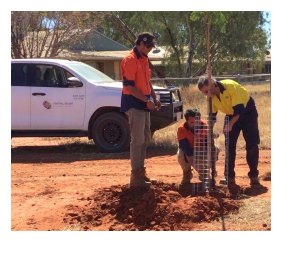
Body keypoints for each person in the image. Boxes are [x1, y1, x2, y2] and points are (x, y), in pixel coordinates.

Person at [197, 76, 260, 185]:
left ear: (212, 84)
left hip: (247, 113)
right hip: (231, 115)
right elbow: (212, 116)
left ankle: (254, 176)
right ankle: (229, 177)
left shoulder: (230, 86)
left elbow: (239, 111)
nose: (206, 95)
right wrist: (209, 131)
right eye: (203, 93)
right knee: (229, 146)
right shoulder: (210, 97)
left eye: (206, 91)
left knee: (252, 145)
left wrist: (230, 125)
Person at [120, 32, 161, 188]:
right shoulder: (130, 60)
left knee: (145, 138)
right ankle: (135, 178)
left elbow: (147, 81)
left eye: (151, 46)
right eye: (149, 46)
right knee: (137, 140)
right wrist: (147, 100)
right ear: (141, 44)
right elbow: (129, 87)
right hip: (133, 103)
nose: (150, 49)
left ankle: (140, 173)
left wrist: (154, 97)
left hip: (144, 102)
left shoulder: (144, 59)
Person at [177, 108, 219, 186]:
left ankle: (205, 173)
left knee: (215, 149)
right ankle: (187, 173)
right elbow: (186, 149)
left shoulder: (205, 126)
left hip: (201, 149)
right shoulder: (181, 129)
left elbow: (209, 145)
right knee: (180, 154)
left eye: (197, 122)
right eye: (192, 122)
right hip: (189, 150)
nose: (195, 124)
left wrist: (213, 168)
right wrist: (197, 167)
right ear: (187, 121)